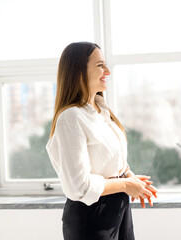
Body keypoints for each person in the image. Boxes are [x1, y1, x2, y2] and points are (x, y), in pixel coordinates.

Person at [46, 42, 157, 240]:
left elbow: (111, 159)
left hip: (118, 210)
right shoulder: (71, 118)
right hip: (91, 216)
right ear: (79, 72)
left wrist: (131, 178)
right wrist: (125, 185)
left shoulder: (101, 110)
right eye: (100, 65)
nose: (107, 71)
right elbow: (78, 187)